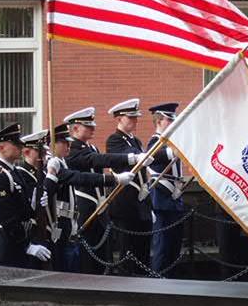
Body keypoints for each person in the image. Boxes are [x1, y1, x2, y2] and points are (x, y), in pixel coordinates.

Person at [64, 107, 148, 274]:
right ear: (75, 128)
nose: (93, 128)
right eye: (88, 126)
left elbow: (100, 159)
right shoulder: (72, 150)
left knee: (103, 254)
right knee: (89, 257)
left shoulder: (91, 147)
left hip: (100, 206)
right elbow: (96, 160)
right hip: (85, 207)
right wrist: (130, 158)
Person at [45, 123, 134, 272]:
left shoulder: (62, 162)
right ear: (52, 144)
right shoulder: (51, 165)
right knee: (69, 266)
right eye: (64, 142)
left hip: (71, 220)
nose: (68, 146)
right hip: (60, 222)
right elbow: (80, 177)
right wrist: (115, 178)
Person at [0, 123, 51, 268]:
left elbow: (22, 208)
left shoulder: (14, 172)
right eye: (15, 144)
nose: (21, 147)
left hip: (20, 239)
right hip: (7, 243)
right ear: (1, 148)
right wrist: (27, 245)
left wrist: (35, 205)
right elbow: (6, 217)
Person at [106, 98, 154, 276]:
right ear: (119, 118)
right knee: (128, 250)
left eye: (135, 117)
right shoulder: (114, 140)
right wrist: (138, 155)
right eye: (130, 117)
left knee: (143, 249)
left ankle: (143, 277)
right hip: (125, 203)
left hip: (141, 202)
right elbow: (123, 156)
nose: (135, 121)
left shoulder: (136, 141)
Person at [147, 103, 186, 277]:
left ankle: (172, 280)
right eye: (169, 120)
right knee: (162, 247)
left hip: (175, 198)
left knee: (174, 246)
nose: (172, 123)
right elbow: (156, 155)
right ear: (159, 121)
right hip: (161, 198)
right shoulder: (155, 142)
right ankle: (159, 281)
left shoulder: (170, 143)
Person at [17, 130, 54, 269]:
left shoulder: (42, 172)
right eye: (40, 153)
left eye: (44, 152)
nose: (43, 156)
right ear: (26, 152)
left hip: (47, 228)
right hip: (33, 231)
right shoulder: (22, 174)